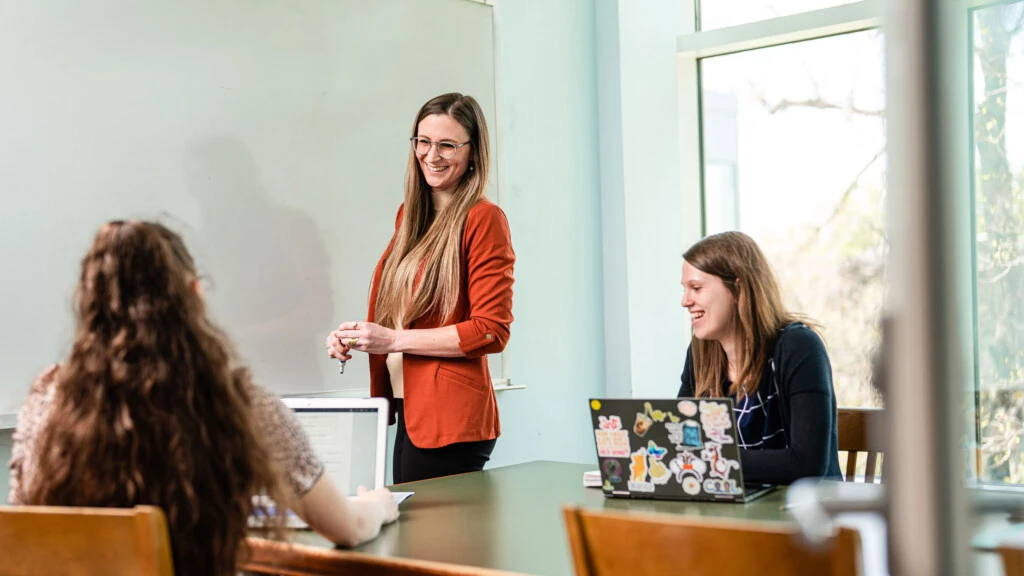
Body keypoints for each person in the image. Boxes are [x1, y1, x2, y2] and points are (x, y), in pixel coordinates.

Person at [8, 221, 398, 576]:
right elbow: (347, 528)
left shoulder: (48, 395)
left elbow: (22, 518)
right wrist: (379, 504)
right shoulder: (238, 402)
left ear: (89, 303)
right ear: (194, 294)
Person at [326, 93, 514, 483]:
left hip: (450, 418)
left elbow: (490, 331)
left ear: (473, 153)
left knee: (428, 543)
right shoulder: (410, 215)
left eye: (447, 144)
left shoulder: (484, 219)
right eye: (423, 142)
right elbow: (400, 315)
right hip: (408, 404)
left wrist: (392, 340)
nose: (432, 155)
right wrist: (357, 336)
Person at [676, 231, 841, 485]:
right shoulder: (700, 352)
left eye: (696, 288)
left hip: (801, 513)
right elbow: (682, 442)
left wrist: (713, 461)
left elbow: (807, 465)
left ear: (738, 289)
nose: (685, 301)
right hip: (730, 509)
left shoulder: (800, 347)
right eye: (685, 289)